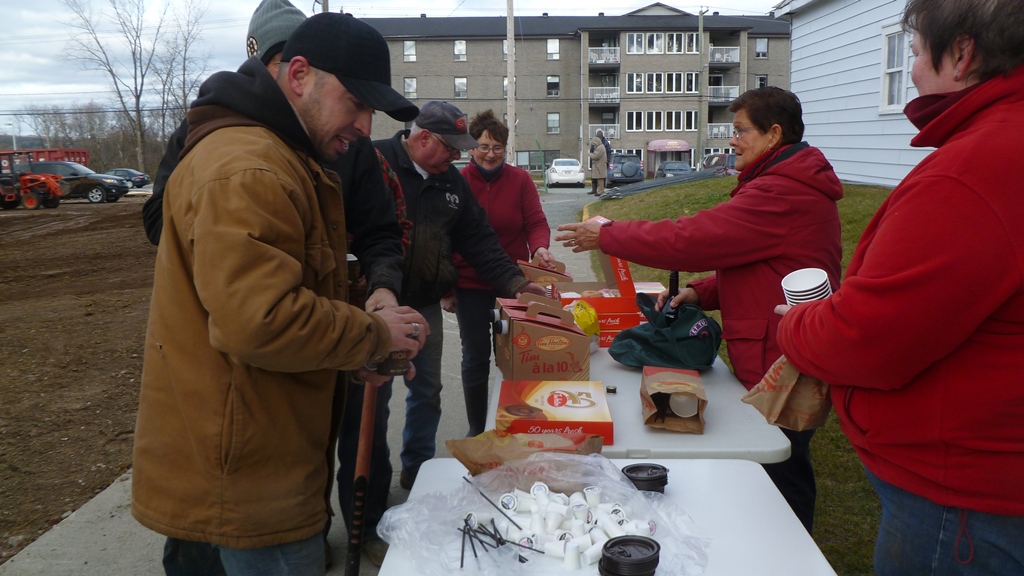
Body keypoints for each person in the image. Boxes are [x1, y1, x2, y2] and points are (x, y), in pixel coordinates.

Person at [131, 13, 427, 576]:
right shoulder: (250, 168)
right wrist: (370, 336)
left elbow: (275, 300)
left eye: (373, 112)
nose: (365, 126)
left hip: (245, 455)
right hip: (246, 481)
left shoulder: (288, 156)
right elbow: (260, 321)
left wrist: (352, 352)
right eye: (356, 103)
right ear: (298, 74)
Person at [776, 1, 1024, 572]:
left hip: (960, 503)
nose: (911, 70)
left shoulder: (976, 170)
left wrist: (796, 324)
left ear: (961, 54)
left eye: (912, 53)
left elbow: (866, 340)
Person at [555, 86, 843, 534]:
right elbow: (758, 263)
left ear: (773, 134)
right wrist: (702, 293)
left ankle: (787, 549)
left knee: (779, 461)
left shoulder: (783, 192)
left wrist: (607, 234)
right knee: (774, 459)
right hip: (776, 346)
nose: (732, 139)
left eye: (740, 130)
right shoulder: (783, 184)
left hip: (782, 354)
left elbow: (694, 238)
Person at [336, 102, 547, 562]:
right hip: (370, 305)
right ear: (423, 138)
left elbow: (480, 241)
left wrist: (516, 282)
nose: (457, 158)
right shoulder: (373, 162)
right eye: (451, 149)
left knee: (427, 390)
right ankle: (366, 517)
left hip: (423, 304)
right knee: (369, 407)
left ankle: (417, 473)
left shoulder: (452, 184)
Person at [444, 109, 554, 437]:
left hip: (513, 283)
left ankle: (518, 421)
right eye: (483, 147)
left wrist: (539, 247)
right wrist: (446, 287)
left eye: (497, 147)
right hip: (470, 284)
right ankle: (478, 429)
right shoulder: (457, 182)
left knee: (517, 355)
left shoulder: (520, 180)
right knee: (476, 358)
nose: (490, 154)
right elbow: (445, 236)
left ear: (505, 149)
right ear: (470, 148)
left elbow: (535, 221)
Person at [588, 129, 607, 195]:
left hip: (600, 166)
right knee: (599, 179)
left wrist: (589, 154)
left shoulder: (600, 148)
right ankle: (598, 190)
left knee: (600, 179)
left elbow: (595, 156)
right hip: (598, 166)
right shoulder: (600, 147)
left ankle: (600, 191)